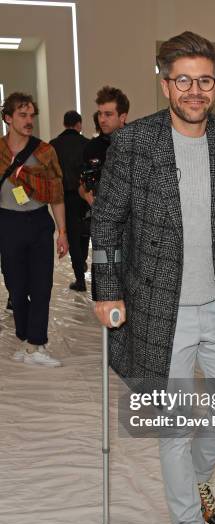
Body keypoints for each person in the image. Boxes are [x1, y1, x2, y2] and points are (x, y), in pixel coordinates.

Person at [91, 31, 215, 524]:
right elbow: (108, 221)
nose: (195, 90)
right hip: (155, 303)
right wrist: (106, 292)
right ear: (164, 81)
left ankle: (196, 479)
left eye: (205, 80)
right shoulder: (134, 141)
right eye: (183, 79)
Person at [0, 92, 68, 366]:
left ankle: (36, 344)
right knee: (15, 287)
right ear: (8, 118)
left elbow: (57, 194)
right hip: (7, 224)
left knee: (42, 285)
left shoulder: (44, 151)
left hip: (39, 223)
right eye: (22, 115)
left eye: (31, 116)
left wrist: (62, 232)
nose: (29, 121)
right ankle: (26, 338)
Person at [50, 110, 90, 291]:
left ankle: (80, 278)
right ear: (79, 124)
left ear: (65, 124)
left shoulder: (54, 145)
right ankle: (82, 262)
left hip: (63, 197)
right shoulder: (87, 144)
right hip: (83, 195)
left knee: (72, 235)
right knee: (84, 231)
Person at [79, 86, 130, 208]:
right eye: (100, 114)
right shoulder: (91, 147)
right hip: (100, 218)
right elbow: (81, 186)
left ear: (122, 117)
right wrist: (86, 195)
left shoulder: (137, 144)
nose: (102, 120)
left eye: (108, 114)